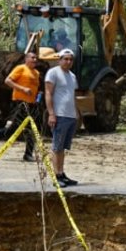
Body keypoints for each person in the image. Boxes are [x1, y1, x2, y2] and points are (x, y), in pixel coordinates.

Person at [0, 51, 40, 162]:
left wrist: (37, 99)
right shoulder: (21, 68)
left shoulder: (36, 73)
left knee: (31, 129)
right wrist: (22, 89)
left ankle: (28, 154)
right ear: (26, 59)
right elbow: (8, 81)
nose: (35, 60)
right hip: (20, 103)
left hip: (31, 104)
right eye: (32, 58)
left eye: (36, 58)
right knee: (15, 127)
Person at [44, 48, 79, 188]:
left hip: (70, 115)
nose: (68, 61)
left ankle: (61, 173)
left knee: (63, 147)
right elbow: (48, 93)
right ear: (60, 60)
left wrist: (77, 113)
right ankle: (56, 176)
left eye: (71, 59)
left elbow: (73, 95)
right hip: (59, 115)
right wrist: (51, 113)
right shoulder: (53, 73)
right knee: (56, 147)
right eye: (66, 59)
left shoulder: (72, 76)